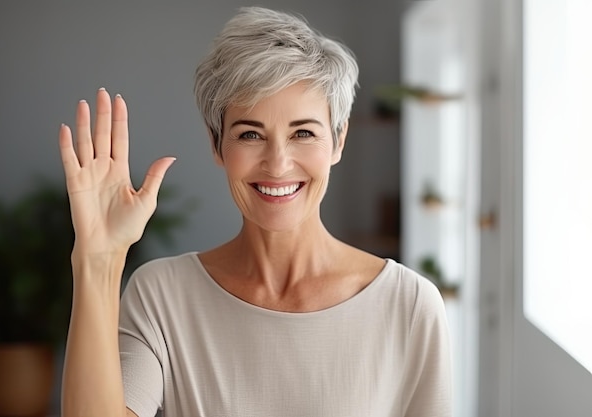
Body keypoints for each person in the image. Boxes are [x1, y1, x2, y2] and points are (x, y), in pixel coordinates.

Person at [59, 6, 451, 417]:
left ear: (338, 141)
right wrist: (98, 260)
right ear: (217, 145)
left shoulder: (409, 305)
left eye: (303, 133)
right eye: (250, 134)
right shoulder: (161, 297)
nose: (277, 163)